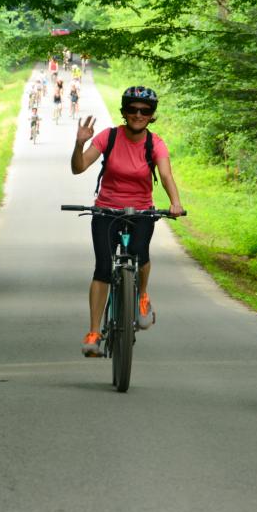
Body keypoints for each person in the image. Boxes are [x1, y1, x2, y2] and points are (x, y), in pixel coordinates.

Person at [70, 86, 184, 357]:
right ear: (124, 111)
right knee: (103, 268)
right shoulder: (108, 137)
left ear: (152, 115)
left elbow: (166, 175)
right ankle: (94, 333)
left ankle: (141, 296)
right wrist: (79, 144)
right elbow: (78, 167)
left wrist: (175, 202)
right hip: (106, 210)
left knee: (139, 252)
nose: (138, 114)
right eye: (132, 109)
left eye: (145, 110)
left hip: (140, 211)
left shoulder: (155, 143)